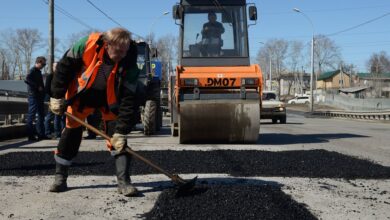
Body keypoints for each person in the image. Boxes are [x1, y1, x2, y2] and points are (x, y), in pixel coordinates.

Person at [49, 27, 140, 197]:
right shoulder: (86, 45)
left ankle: (124, 182)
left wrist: (121, 131)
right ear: (107, 44)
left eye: (125, 52)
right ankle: (60, 178)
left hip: (109, 100)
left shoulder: (130, 62)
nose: (121, 55)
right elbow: (63, 69)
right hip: (82, 96)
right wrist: (56, 95)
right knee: (70, 134)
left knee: (118, 139)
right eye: (118, 51)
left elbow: (129, 99)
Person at [24, 56, 48, 141]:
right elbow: (26, 79)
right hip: (33, 96)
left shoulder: (38, 72)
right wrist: (37, 86)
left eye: (44, 64)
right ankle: (30, 135)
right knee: (32, 115)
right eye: (43, 64)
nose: (44, 66)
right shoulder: (32, 70)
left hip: (39, 96)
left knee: (41, 115)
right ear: (38, 63)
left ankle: (41, 134)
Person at [44, 62, 65, 139]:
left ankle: (60, 133)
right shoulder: (50, 76)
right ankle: (48, 133)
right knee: (50, 117)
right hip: (52, 99)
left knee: (59, 117)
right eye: (55, 66)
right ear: (52, 67)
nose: (56, 68)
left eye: (57, 66)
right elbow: (47, 88)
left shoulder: (61, 76)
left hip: (60, 99)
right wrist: (51, 98)